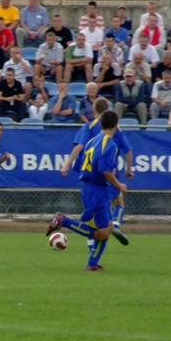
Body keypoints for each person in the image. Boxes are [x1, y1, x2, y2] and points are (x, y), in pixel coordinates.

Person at [49, 110, 129, 271]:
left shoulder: (92, 141)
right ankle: (64, 221)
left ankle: (92, 264)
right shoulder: (110, 145)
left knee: (107, 226)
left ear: (100, 124)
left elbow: (78, 166)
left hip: (90, 187)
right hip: (96, 190)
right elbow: (104, 170)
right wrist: (119, 185)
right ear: (116, 125)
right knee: (102, 232)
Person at [60, 99, 133, 245]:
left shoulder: (90, 126)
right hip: (108, 174)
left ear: (94, 111)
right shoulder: (117, 130)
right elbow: (128, 150)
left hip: (92, 178)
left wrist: (67, 165)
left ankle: (92, 249)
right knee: (117, 204)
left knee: (97, 219)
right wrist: (128, 170)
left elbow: (80, 147)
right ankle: (115, 226)